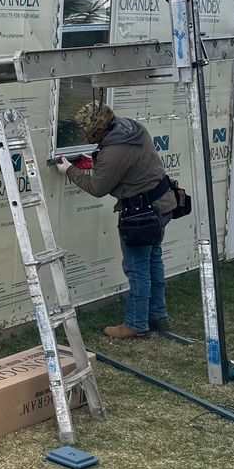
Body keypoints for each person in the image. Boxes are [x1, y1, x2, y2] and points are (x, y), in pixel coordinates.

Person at [59, 100, 179, 340]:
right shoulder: (131, 128)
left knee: (137, 269)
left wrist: (69, 170)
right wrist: (95, 161)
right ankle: (157, 317)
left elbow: (97, 187)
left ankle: (136, 325)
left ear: (96, 130)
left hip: (141, 215)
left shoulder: (113, 152)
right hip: (162, 204)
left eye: (85, 130)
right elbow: (126, 165)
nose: (82, 133)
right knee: (153, 263)